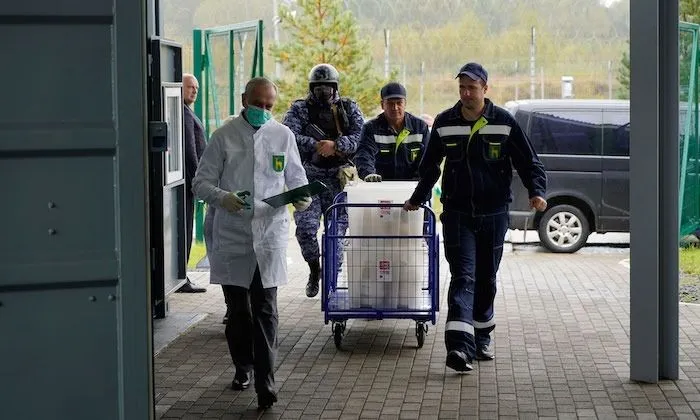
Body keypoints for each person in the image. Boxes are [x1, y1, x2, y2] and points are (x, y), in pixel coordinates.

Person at [404, 62, 547, 372]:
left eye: (472, 88)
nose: (466, 93)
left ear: (486, 89)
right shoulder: (444, 122)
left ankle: (482, 336)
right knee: (463, 276)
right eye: (462, 88)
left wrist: (536, 191)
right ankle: (458, 347)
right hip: (456, 213)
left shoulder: (504, 122)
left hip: (494, 214)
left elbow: (528, 162)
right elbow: (429, 167)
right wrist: (417, 198)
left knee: (486, 279)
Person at [192, 77, 311, 409]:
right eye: (257, 104)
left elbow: (296, 178)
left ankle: (265, 381)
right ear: (244, 99)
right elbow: (200, 183)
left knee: (266, 310)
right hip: (233, 235)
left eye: (269, 106)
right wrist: (223, 198)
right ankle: (243, 366)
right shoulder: (224, 136)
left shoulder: (282, 135)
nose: (263, 111)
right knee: (239, 313)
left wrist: (302, 198)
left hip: (269, 235)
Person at [283, 63, 364, 298]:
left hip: (341, 179)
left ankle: (331, 280)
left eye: (328, 87)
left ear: (335, 87)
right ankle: (314, 269)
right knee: (306, 230)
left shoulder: (348, 107)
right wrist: (317, 145)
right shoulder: (299, 109)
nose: (323, 91)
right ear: (311, 87)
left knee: (336, 234)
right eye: (318, 87)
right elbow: (289, 136)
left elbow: (361, 136)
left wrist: (337, 146)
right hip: (310, 177)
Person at [355, 82, 430, 182]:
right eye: (390, 103)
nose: (395, 107)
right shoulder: (370, 128)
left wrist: (417, 183)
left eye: (399, 103)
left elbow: (428, 159)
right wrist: (369, 174)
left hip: (414, 189)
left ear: (405, 104)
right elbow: (364, 155)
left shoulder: (420, 128)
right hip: (380, 189)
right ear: (382, 105)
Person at [176, 73, 207, 293]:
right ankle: (181, 277)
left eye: (196, 87)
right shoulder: (184, 114)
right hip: (189, 180)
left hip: (190, 181)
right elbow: (190, 150)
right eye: (190, 87)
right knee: (185, 229)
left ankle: (180, 275)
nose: (194, 90)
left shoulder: (187, 112)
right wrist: (199, 181)